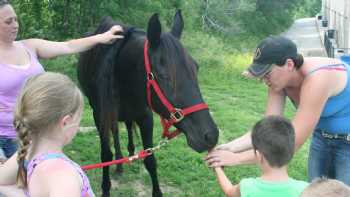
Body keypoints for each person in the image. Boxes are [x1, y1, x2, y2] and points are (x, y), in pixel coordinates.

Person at [205, 35, 350, 185]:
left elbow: (290, 145)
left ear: (288, 64)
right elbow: (267, 130)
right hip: (321, 137)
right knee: (318, 192)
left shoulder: (318, 78)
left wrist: (236, 159)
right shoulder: (279, 82)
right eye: (261, 75)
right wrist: (230, 147)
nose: (264, 80)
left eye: (267, 73)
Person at [0, 0, 123, 160]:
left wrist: (101, 37)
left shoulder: (29, 46)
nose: (15, 25)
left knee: (34, 182)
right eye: (8, 21)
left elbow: (68, 46)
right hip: (4, 139)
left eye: (16, 19)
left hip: (36, 135)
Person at [0, 72, 94, 197]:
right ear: (66, 122)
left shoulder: (28, 151)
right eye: (78, 119)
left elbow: (2, 183)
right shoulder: (63, 176)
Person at [211, 115, 308, 197]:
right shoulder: (305, 190)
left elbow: (229, 191)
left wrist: (217, 167)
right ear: (291, 153)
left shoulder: (247, 186)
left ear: (258, 155)